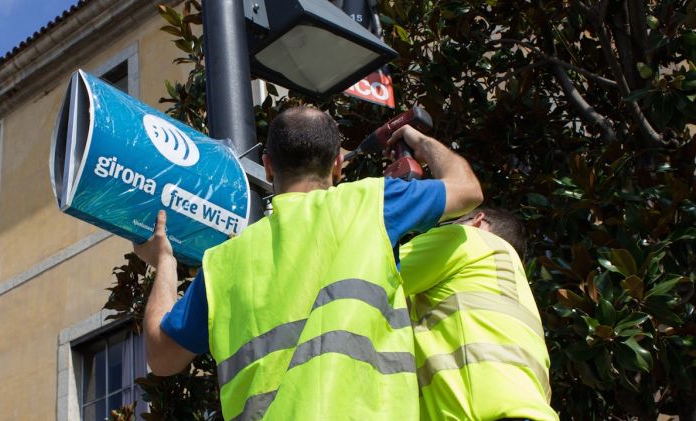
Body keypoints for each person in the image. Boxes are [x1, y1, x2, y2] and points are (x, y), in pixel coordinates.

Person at [134, 107, 483, 420]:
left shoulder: (222, 262)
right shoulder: (373, 202)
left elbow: (162, 358)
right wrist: (418, 139)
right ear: (337, 165)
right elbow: (467, 190)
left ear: (269, 166)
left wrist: (164, 260)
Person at [399, 207, 558, 421]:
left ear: (478, 221)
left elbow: (375, 271)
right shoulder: (514, 292)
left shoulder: (466, 239)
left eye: (449, 224)